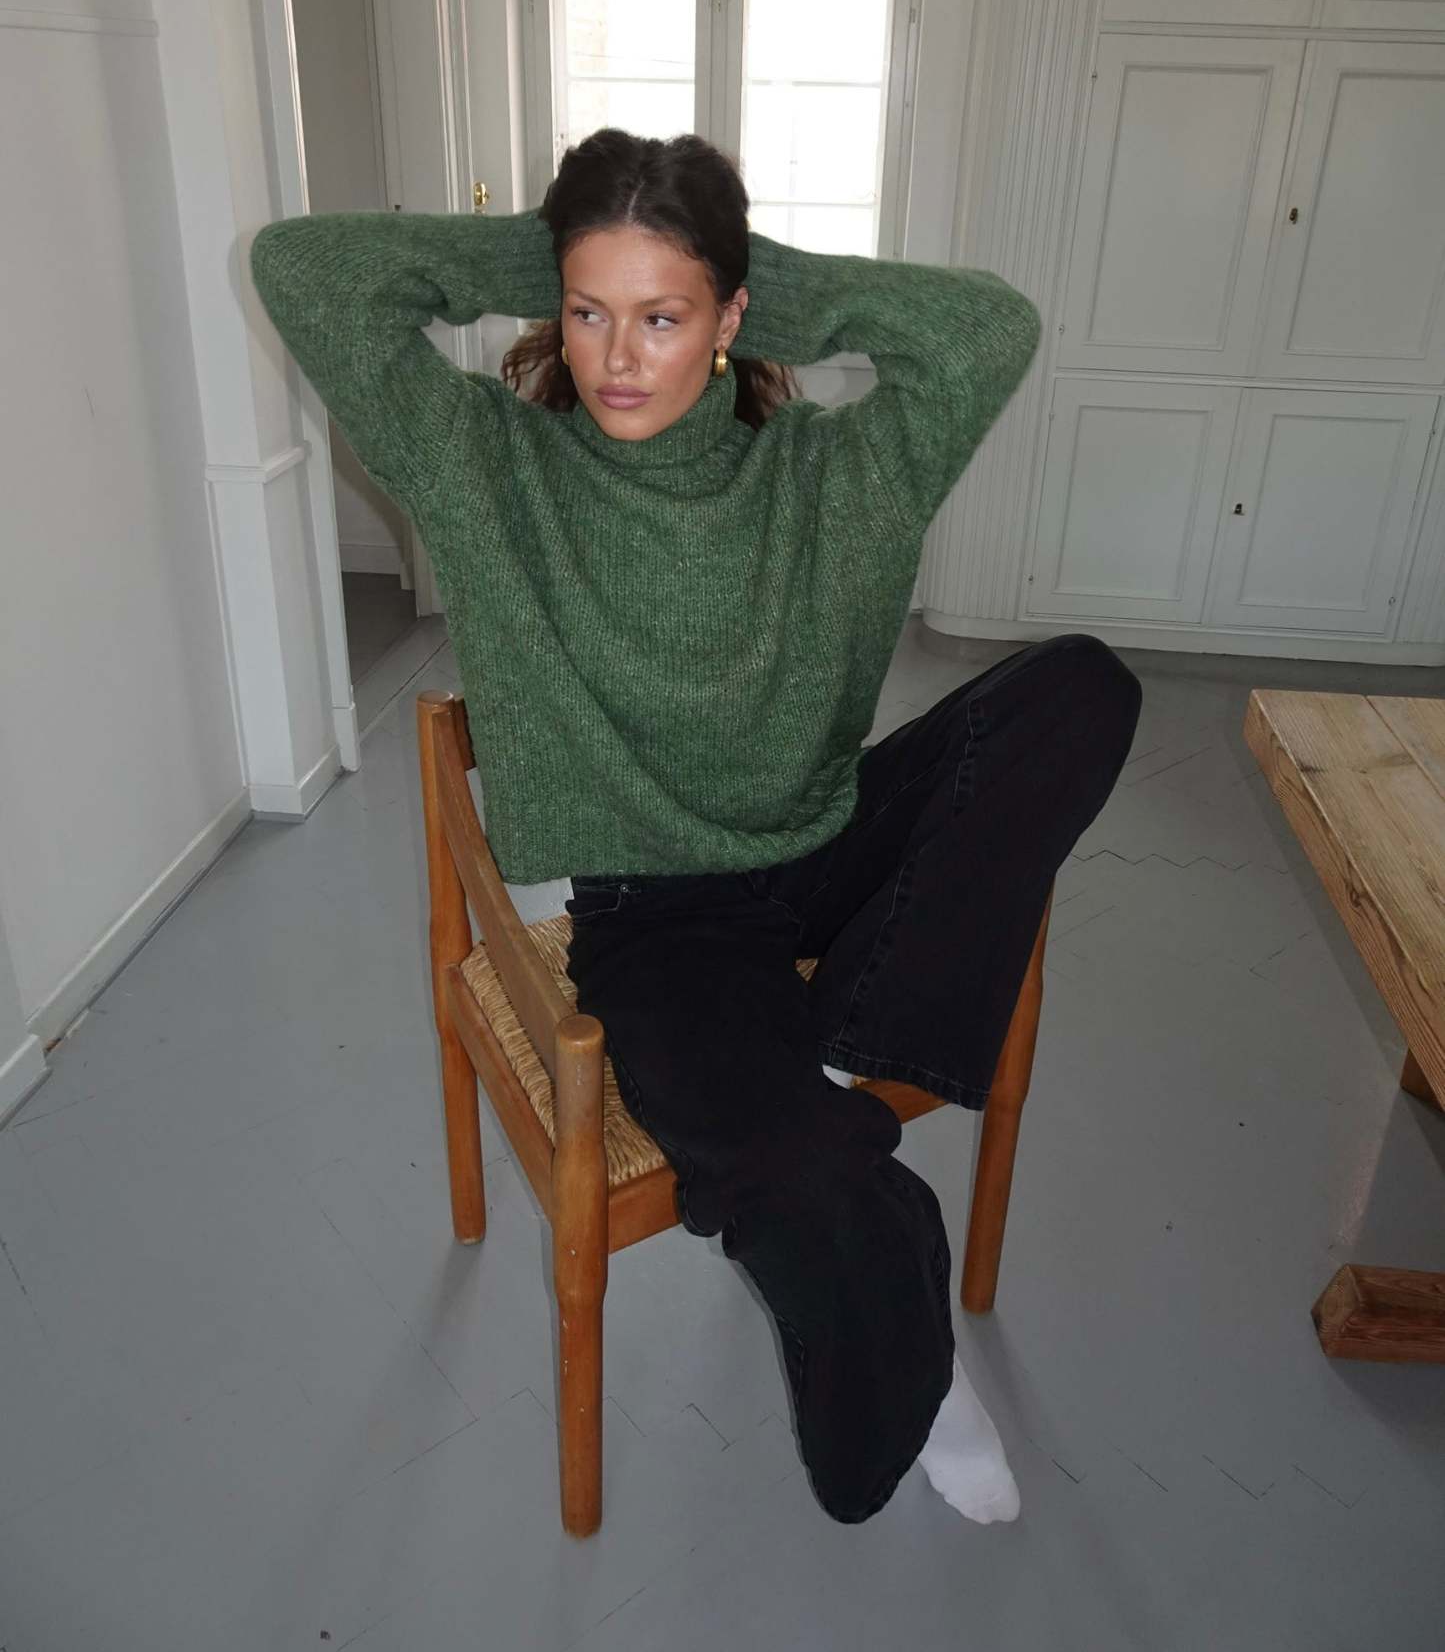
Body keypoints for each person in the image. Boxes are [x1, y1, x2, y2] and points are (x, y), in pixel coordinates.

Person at [249, 129, 1142, 1528]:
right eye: (586, 312)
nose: (616, 357)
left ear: (730, 321)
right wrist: (575, 241)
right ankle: (905, 1342)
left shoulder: (837, 475)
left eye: (662, 317)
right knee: (812, 1188)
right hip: (660, 920)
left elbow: (987, 329)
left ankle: (849, 1038)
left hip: (829, 844)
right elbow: (306, 269)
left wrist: (731, 262)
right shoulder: (489, 467)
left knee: (1079, 688)